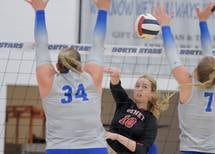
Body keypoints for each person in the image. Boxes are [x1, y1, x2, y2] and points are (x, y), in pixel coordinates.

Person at [25, 0, 110, 153]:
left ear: (57, 66)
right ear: (81, 64)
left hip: (59, 149)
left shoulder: (48, 81)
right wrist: (103, 10)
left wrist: (39, 11)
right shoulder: (92, 77)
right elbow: (98, 44)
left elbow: (41, 45)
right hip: (94, 148)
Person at [154, 2, 215, 154]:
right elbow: (208, 53)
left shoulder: (187, 82)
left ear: (196, 71)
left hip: (190, 151)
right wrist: (203, 21)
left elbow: (171, 53)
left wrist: (165, 26)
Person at [104, 67, 173, 154]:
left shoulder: (150, 121)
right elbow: (116, 86)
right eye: (137, 86)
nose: (139, 89)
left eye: (144, 87)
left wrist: (117, 137)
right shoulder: (125, 103)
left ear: (152, 93)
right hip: (105, 148)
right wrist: (115, 76)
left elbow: (142, 150)